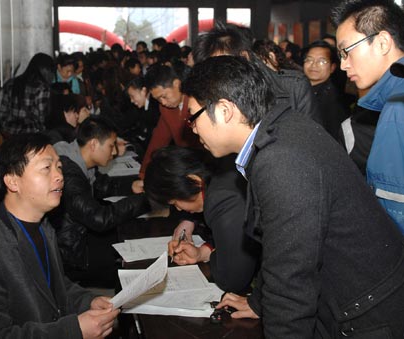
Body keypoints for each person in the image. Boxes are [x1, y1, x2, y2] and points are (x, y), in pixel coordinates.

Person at [181, 55, 404, 338]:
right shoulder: (282, 128)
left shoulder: (281, 160)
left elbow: (290, 281)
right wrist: (259, 302)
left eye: (193, 117)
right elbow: (279, 246)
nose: (193, 128)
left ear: (225, 110)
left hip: (366, 314)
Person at [0, 133, 119, 338]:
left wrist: (88, 301)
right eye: (46, 168)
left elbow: (56, 286)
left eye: (59, 167)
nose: (59, 175)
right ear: (13, 182)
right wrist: (73, 330)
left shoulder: (43, 226)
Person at [50, 117, 150, 287]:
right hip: (70, 254)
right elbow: (99, 218)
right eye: (111, 146)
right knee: (128, 269)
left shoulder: (77, 158)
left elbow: (100, 185)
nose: (114, 152)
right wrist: (147, 200)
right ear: (94, 144)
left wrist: (132, 186)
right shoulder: (68, 173)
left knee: (123, 242)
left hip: (77, 236)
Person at [144, 146, 259, 293]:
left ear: (194, 181)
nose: (178, 209)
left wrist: (211, 254)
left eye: (174, 203)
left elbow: (231, 280)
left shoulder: (221, 200)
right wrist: (202, 253)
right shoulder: (221, 172)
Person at [332, 0, 404, 232]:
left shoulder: (397, 107)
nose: (343, 65)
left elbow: (394, 211)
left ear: (382, 42)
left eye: (346, 51)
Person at [192, 22, 321, 125]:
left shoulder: (294, 86)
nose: (218, 75)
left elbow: (313, 141)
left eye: (222, 67)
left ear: (244, 57)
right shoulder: (214, 94)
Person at [131, 63, 200, 193]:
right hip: (186, 166)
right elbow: (158, 139)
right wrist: (144, 174)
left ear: (176, 84)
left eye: (164, 96)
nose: (163, 102)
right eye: (158, 99)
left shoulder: (197, 101)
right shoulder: (165, 108)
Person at [0, 53, 55, 137]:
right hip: (31, 136)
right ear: (46, 70)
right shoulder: (42, 88)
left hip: (10, 134)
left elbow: (2, 113)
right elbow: (42, 118)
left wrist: (7, 129)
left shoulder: (11, 83)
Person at [302, 40, 349, 140]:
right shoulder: (301, 90)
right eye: (309, 60)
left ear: (332, 67)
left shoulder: (333, 100)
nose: (314, 65)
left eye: (322, 61)